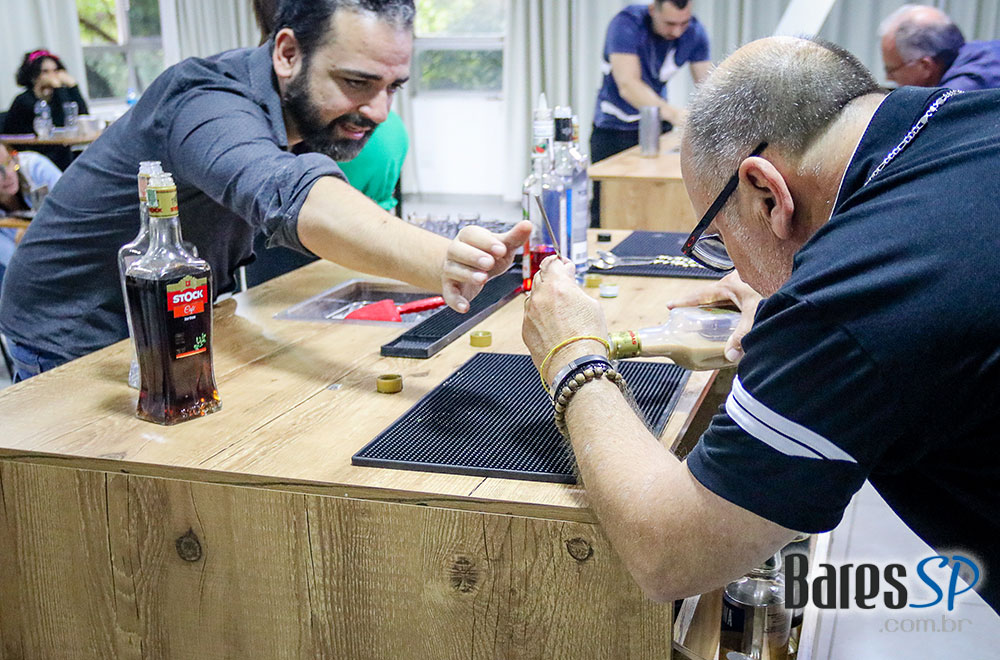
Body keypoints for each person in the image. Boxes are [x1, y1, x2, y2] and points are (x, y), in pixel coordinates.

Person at [523, 36, 998, 613]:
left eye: (721, 240)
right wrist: (785, 279)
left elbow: (671, 553)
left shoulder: (854, 293)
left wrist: (572, 353)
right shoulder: (968, 119)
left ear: (768, 194)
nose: (736, 268)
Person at [0, 0, 530, 382]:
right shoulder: (206, 101)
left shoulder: (299, 111)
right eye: (356, 83)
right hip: (74, 328)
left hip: (171, 318)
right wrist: (445, 261)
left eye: (392, 87)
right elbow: (289, 193)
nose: (378, 111)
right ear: (287, 53)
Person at [590, 0, 711, 226]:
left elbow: (709, 87)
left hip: (657, 127)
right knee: (607, 210)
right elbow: (628, 85)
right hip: (614, 130)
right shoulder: (626, 24)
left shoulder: (695, 32)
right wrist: (677, 115)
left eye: (683, 23)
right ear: (653, 10)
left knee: (659, 202)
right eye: (670, 23)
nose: (677, 31)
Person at [879, 4, 1000, 91]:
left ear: (925, 66)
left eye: (891, 70)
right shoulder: (985, 51)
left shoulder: (956, 97)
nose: (888, 78)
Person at [4, 50, 90, 170]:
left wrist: (73, 86)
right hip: (33, 155)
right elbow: (60, 123)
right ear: (33, 76)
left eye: (56, 71)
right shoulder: (24, 100)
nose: (52, 76)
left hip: (59, 152)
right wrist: (58, 87)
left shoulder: (59, 96)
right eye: (45, 72)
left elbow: (82, 115)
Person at [0, 143, 61, 289]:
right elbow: (17, 266)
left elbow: (75, 208)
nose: (8, 174)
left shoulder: (35, 167)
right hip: (31, 275)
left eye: (9, 163)